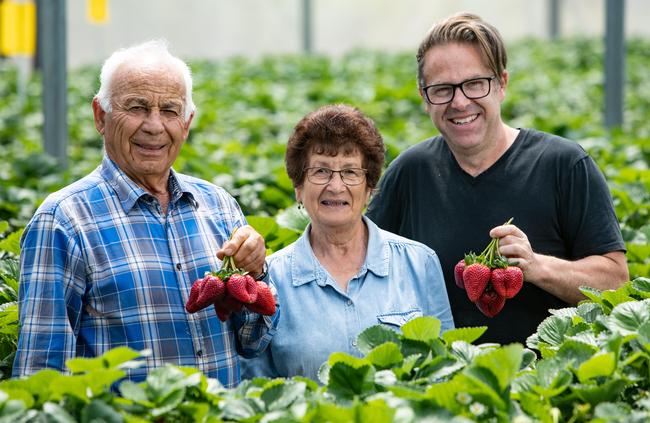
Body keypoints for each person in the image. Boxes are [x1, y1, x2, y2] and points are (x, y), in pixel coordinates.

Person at [13, 40, 278, 386]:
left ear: (187, 123)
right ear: (100, 116)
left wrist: (256, 273)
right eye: (137, 107)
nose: (154, 126)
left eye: (170, 110)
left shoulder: (219, 206)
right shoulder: (64, 221)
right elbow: (41, 376)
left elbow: (253, 342)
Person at [366, 13, 628, 345]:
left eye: (475, 83)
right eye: (442, 89)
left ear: (501, 84)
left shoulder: (564, 165)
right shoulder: (410, 172)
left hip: (546, 385)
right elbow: (363, 267)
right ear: (423, 96)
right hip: (436, 385)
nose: (460, 102)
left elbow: (617, 282)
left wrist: (537, 267)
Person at [241, 104, 454, 381]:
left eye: (351, 172)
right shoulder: (269, 280)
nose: (336, 186)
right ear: (298, 188)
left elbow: (445, 368)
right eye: (321, 171)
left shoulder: (419, 262)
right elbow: (257, 386)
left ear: (369, 189)